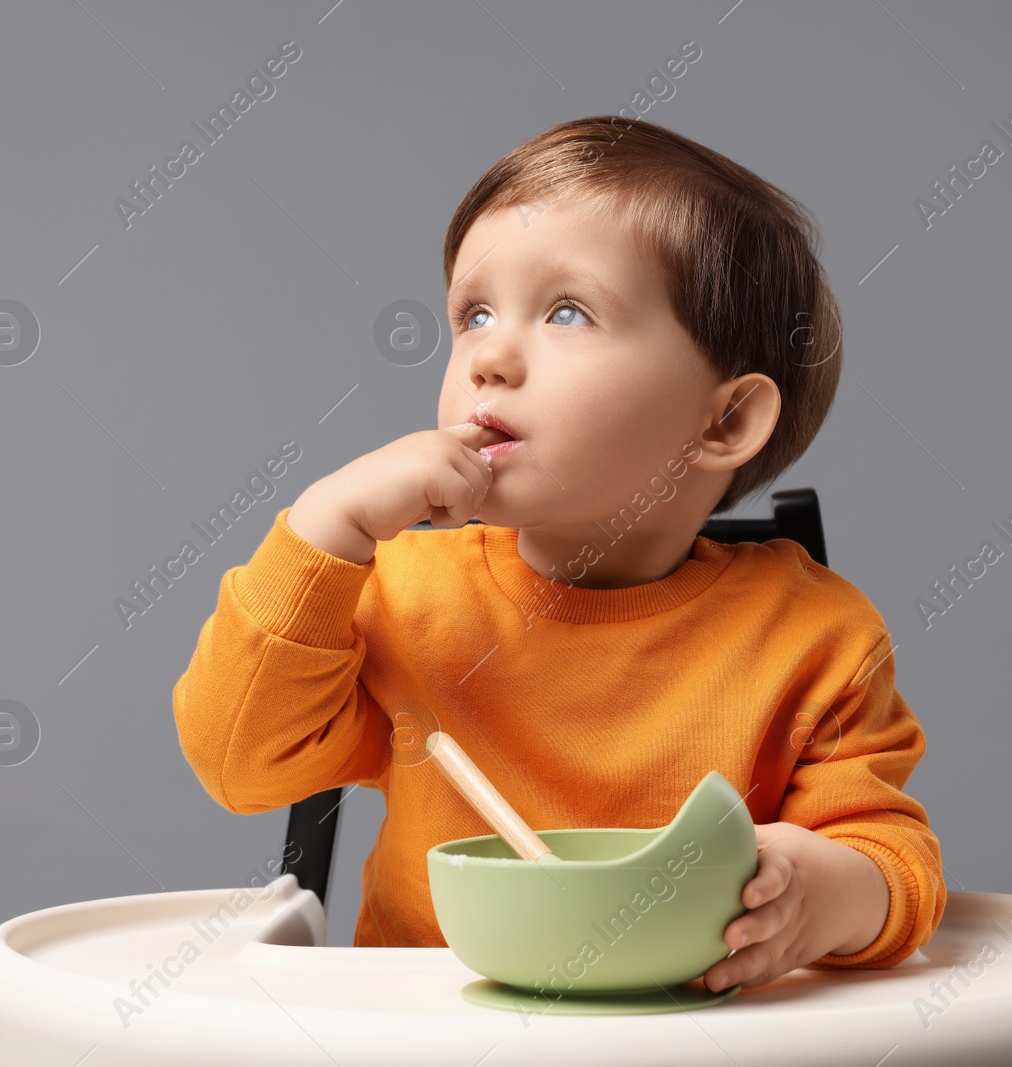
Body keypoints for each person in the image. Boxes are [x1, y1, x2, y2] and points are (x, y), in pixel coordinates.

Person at [173, 115, 945, 993]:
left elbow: (893, 859)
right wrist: (321, 531)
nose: (489, 356)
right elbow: (237, 762)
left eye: (567, 310)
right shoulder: (404, 592)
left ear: (725, 420)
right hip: (429, 1041)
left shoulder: (817, 635)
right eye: (473, 314)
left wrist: (823, 891)